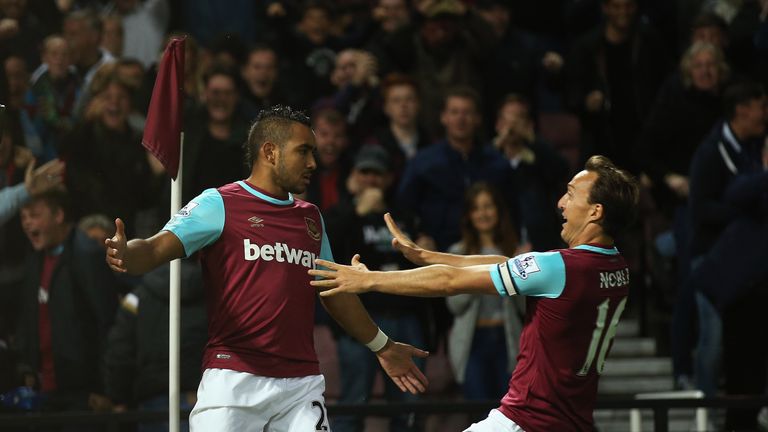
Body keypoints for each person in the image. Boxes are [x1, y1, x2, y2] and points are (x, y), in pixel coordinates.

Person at [105, 105, 428, 430]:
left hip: (302, 385)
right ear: (270, 151)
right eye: (303, 151)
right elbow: (155, 247)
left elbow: (333, 291)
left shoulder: (311, 217)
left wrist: (382, 346)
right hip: (234, 380)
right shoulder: (219, 203)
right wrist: (127, 254)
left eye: (313, 152)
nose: (313, 163)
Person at [311, 155, 640, 431]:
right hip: (571, 422)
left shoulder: (561, 268)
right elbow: (511, 264)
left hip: (526, 421)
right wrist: (431, 256)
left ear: (595, 212)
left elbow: (450, 282)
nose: (560, 202)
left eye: (570, 194)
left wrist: (369, 280)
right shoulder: (617, 269)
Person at [15, 189, 119, 413]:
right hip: (44, 393)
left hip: (84, 396)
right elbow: (28, 320)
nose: (27, 223)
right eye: (23, 217)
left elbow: (107, 322)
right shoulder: (35, 260)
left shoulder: (86, 254)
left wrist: (106, 390)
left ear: (58, 215)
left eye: (34, 215)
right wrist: (26, 369)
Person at [446, 182, 528, 402]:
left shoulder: (514, 251)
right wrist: (480, 276)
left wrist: (521, 269)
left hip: (507, 339)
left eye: (488, 206)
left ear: (498, 211)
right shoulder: (457, 253)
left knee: (508, 413)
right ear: (469, 215)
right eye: (476, 208)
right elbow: (455, 305)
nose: (483, 213)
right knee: (478, 413)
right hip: (473, 341)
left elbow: (524, 306)